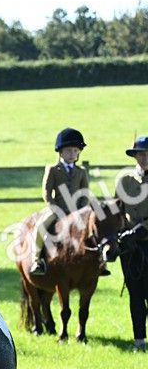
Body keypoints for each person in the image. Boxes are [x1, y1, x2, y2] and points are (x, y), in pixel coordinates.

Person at [30, 127, 106, 275]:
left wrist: (82, 210)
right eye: (69, 151)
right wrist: (54, 207)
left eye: (76, 151)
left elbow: (85, 193)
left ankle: (101, 263)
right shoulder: (52, 169)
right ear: (61, 151)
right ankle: (37, 260)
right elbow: (46, 191)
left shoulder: (81, 171)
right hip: (57, 209)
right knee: (40, 226)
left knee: (98, 227)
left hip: (78, 210)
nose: (73, 154)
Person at [115, 134, 148, 350]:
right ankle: (139, 339)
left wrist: (139, 230)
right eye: (140, 154)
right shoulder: (124, 180)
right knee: (135, 293)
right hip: (130, 247)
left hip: (146, 241)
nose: (143, 159)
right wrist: (120, 234)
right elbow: (117, 210)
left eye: (146, 154)